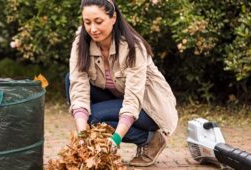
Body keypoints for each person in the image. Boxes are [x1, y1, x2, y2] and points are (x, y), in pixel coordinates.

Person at [65, 0, 178, 167]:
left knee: (95, 119)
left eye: (99, 21)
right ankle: (93, 147)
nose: (93, 29)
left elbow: (133, 100)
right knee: (70, 80)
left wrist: (115, 139)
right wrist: (83, 137)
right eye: (87, 22)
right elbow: (79, 89)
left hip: (149, 108)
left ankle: (151, 139)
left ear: (113, 17)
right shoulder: (81, 43)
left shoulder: (133, 47)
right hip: (119, 97)